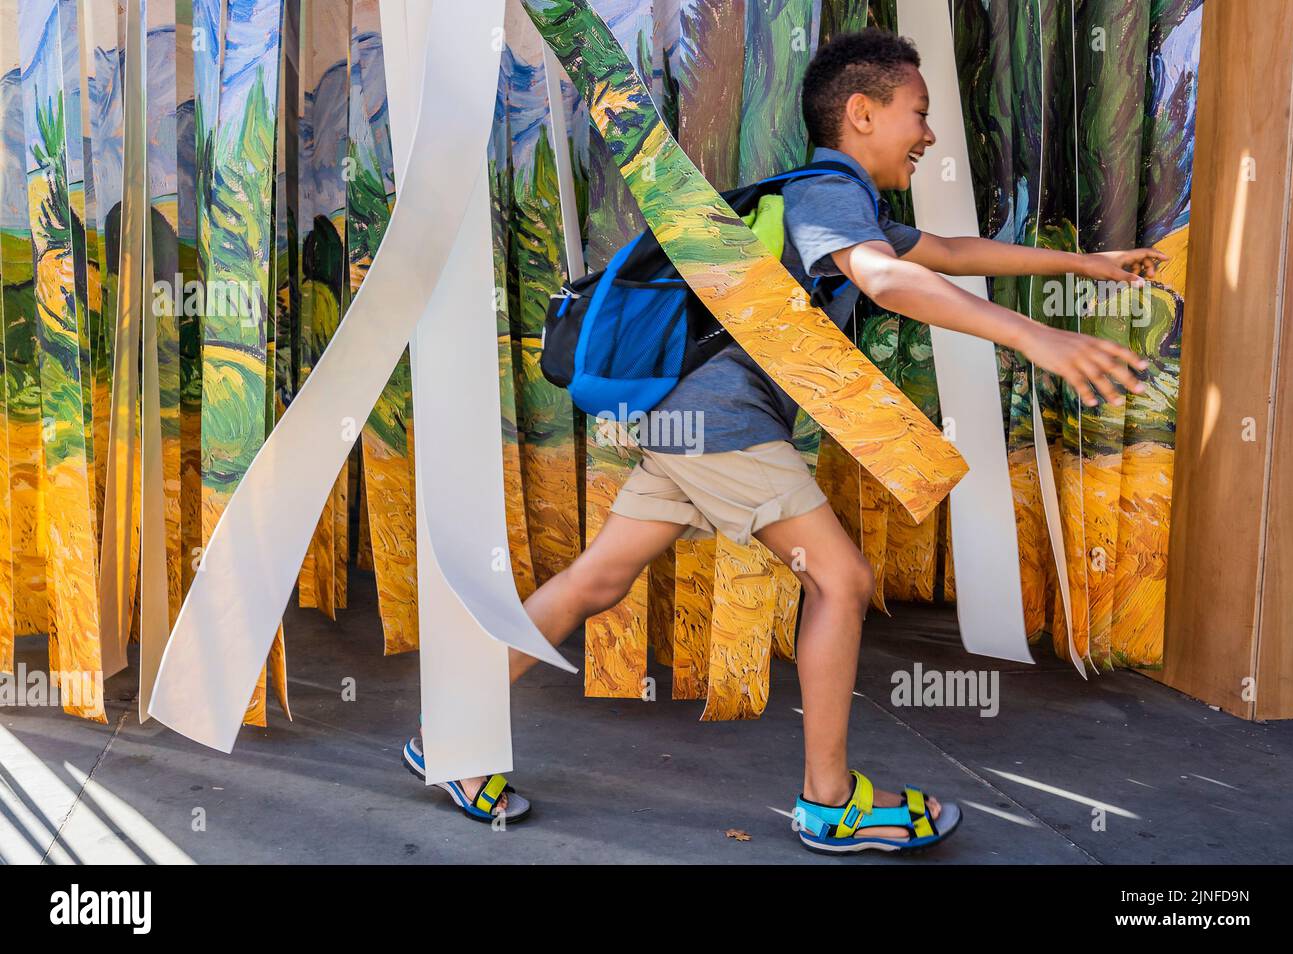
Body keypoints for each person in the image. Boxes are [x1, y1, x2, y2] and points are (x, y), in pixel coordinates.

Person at [402, 27, 1164, 854]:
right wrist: (1032, 338)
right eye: (920, 113)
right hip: (722, 425)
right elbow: (886, 278)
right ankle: (829, 800)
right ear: (863, 114)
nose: (930, 134)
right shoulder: (830, 192)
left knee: (598, 579)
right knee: (841, 580)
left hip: (680, 419)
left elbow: (942, 251)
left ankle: (449, 731)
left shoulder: (832, 200)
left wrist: (1081, 267)